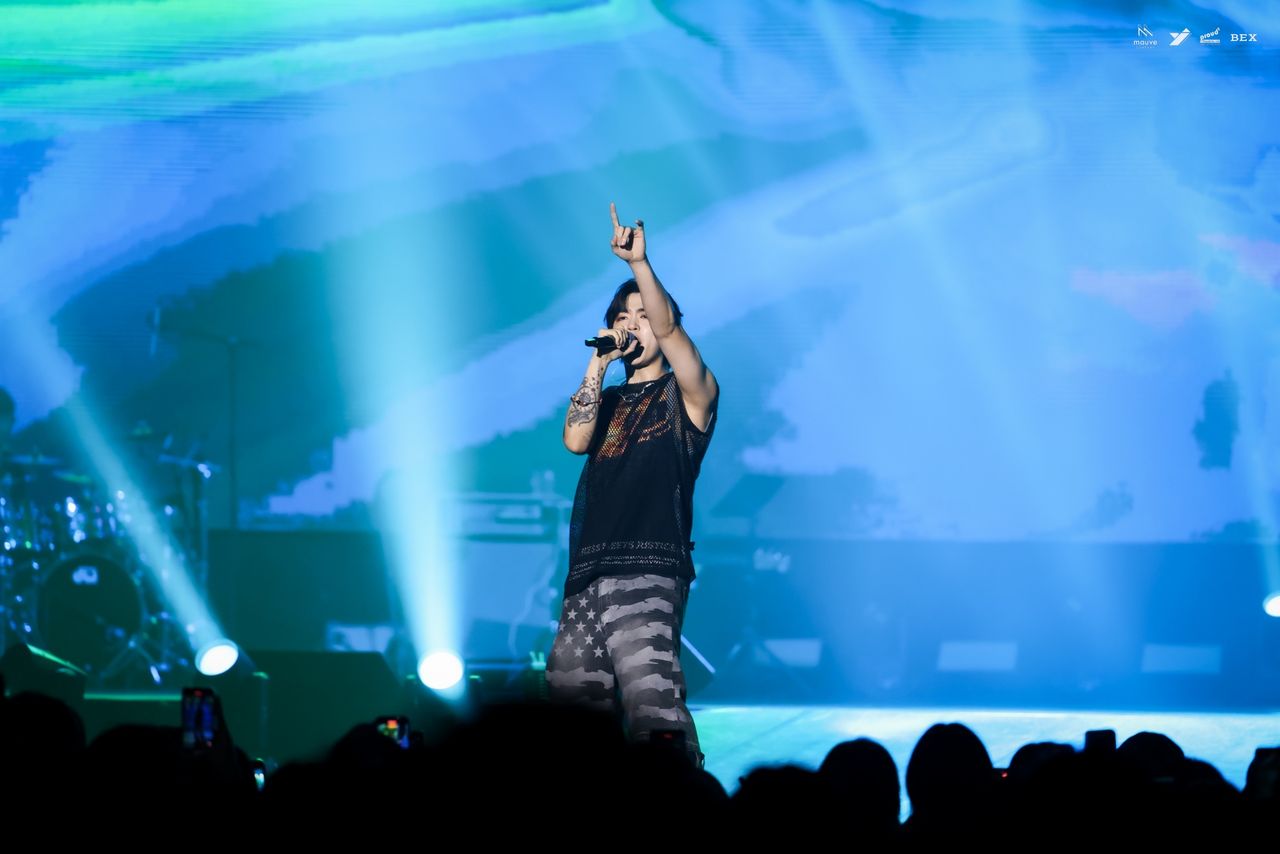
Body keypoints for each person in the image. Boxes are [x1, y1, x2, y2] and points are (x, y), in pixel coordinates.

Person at [546, 202, 720, 767]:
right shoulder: (610, 400)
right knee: (572, 718)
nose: (633, 324)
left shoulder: (688, 394)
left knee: (653, 710)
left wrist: (639, 265)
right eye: (624, 316)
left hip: (648, 568)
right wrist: (597, 364)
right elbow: (575, 440)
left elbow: (669, 331)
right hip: (587, 575)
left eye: (643, 314)